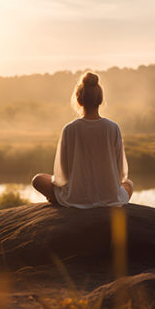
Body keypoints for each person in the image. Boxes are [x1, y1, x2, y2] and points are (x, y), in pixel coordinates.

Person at [32, 71, 133, 208]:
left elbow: (62, 175)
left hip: (75, 196)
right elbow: (121, 173)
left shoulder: (69, 129)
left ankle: (59, 200)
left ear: (79, 99)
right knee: (129, 184)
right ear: (100, 99)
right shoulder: (113, 127)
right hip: (108, 196)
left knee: (38, 180)